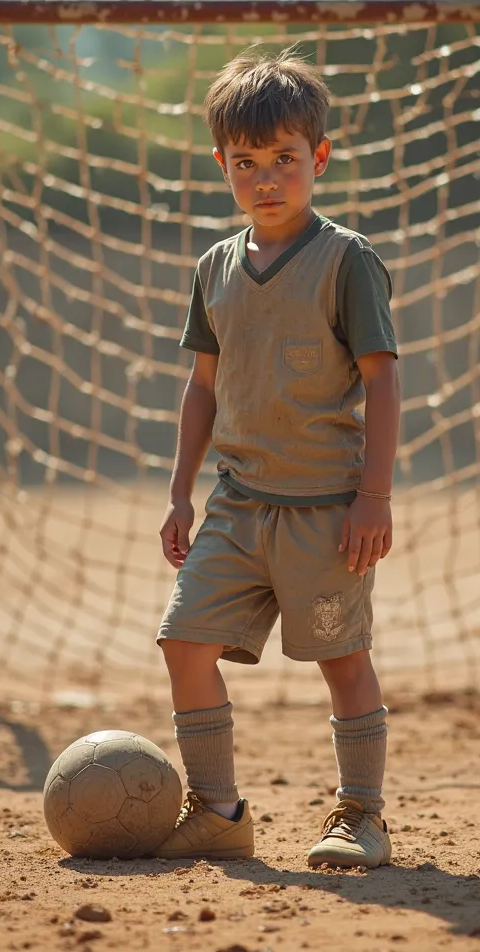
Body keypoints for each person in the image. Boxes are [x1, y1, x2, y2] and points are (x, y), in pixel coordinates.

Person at [153, 47, 400, 869]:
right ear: (223, 164)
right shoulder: (213, 268)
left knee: (342, 662)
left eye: (285, 160)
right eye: (247, 163)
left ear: (318, 159)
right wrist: (180, 493)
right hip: (234, 506)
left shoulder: (347, 260)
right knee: (183, 642)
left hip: (327, 512)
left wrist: (376, 496)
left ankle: (360, 816)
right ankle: (218, 811)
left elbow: (384, 383)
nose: (266, 178)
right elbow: (201, 388)